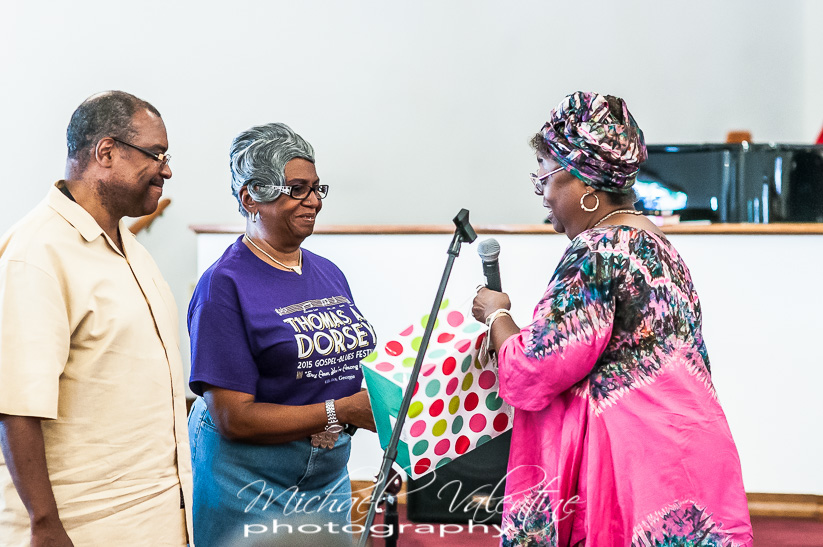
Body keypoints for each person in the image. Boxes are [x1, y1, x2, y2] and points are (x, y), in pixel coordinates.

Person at [472, 91, 753, 546]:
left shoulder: (598, 250)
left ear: (583, 181)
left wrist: (496, 314)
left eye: (544, 177)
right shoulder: (657, 243)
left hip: (636, 469)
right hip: (688, 451)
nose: (543, 195)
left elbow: (535, 369)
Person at [0, 91, 192, 545]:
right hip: (83, 527)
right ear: (106, 152)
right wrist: (45, 524)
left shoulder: (131, 249)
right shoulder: (37, 253)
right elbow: (15, 406)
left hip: (155, 519)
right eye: (156, 154)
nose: (166, 170)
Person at [187, 122, 377, 546]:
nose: (314, 201)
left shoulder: (328, 272)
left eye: (316, 188)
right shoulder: (223, 286)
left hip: (326, 475)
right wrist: (341, 411)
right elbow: (234, 418)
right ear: (250, 197)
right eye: (296, 189)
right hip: (249, 477)